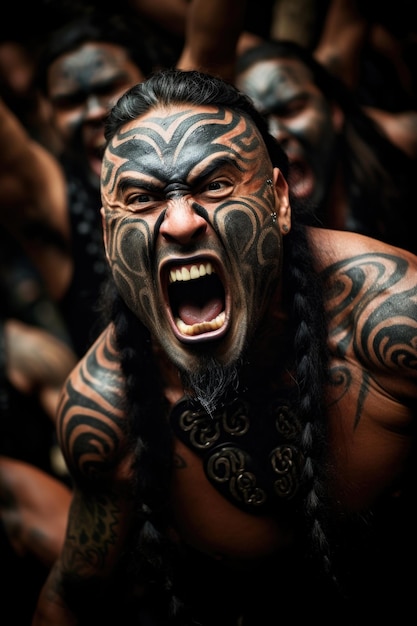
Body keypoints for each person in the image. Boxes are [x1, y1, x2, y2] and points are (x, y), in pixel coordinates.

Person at [32, 68, 417, 626]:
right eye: (140, 198)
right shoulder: (104, 417)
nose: (181, 223)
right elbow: (71, 596)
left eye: (214, 184)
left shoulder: (392, 321)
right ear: (110, 239)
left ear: (280, 202)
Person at [234, 38, 417, 253]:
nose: (275, 134)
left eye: (292, 109)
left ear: (334, 111)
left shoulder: (393, 144)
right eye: (260, 124)